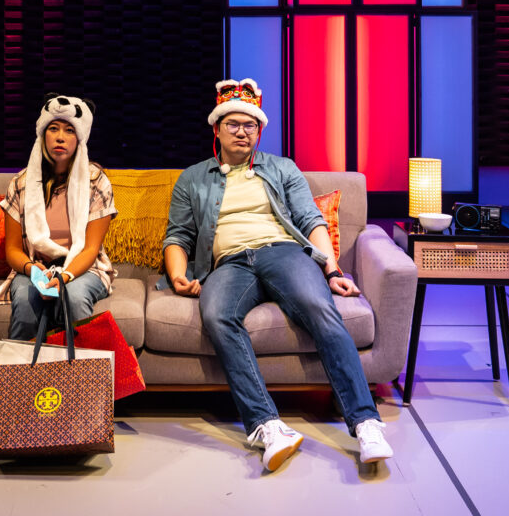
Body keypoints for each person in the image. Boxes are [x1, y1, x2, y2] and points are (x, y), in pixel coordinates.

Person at [162, 79, 392, 471]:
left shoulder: (281, 168)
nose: (241, 131)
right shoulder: (193, 178)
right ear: (216, 128)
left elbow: (310, 219)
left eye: (249, 125)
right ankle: (268, 426)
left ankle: (366, 423)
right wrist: (178, 274)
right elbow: (178, 235)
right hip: (230, 263)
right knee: (216, 314)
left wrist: (331, 268)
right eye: (233, 124)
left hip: (282, 252)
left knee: (318, 306)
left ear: (259, 131)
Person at [0, 94, 118, 341]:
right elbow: (13, 250)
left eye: (69, 130)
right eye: (53, 128)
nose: (60, 137)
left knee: (74, 297)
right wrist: (32, 270)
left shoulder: (96, 182)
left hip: (83, 268)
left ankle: (81, 366)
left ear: (80, 137)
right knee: (26, 302)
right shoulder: (20, 183)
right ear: (42, 134)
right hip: (35, 266)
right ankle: (23, 365)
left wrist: (64, 277)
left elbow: (91, 249)